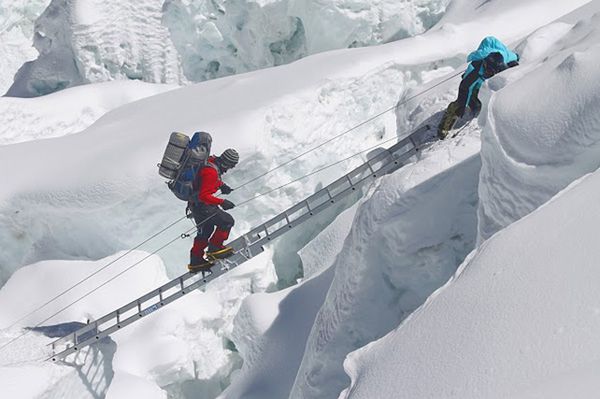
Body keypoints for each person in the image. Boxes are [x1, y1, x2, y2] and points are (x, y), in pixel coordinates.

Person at [438, 36, 519, 139]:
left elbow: (515, 57)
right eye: (488, 71)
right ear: (484, 65)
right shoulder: (474, 69)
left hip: (493, 60)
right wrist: (462, 105)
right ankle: (444, 127)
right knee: (464, 104)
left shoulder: (505, 59)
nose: (489, 74)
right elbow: (465, 88)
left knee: (480, 102)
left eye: (492, 73)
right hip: (473, 80)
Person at [188, 148, 239, 271]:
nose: (228, 169)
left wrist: (222, 185)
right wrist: (222, 202)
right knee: (227, 221)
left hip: (194, 205)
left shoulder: (210, 161)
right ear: (226, 163)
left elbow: (204, 179)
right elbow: (204, 196)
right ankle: (215, 248)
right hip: (204, 206)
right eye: (230, 166)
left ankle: (196, 261)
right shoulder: (211, 172)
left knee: (205, 231)